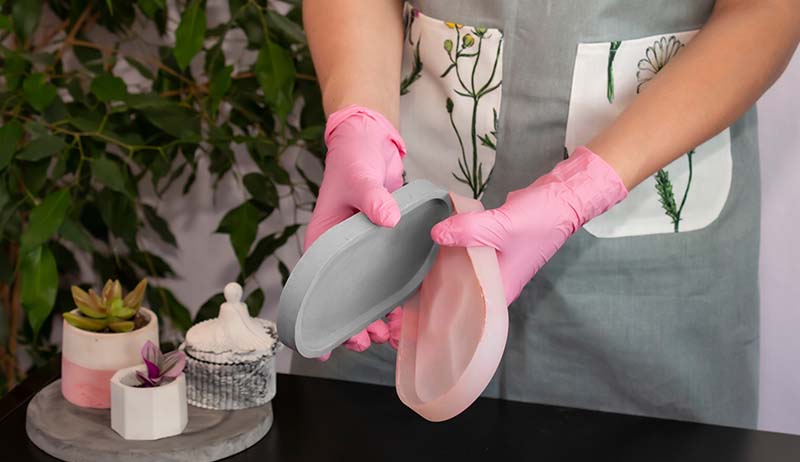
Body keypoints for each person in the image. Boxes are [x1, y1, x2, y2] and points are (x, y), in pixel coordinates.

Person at [289, 0, 800, 428]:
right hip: (413, 243)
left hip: (647, 259)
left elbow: (768, 11)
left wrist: (583, 188)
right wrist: (360, 118)